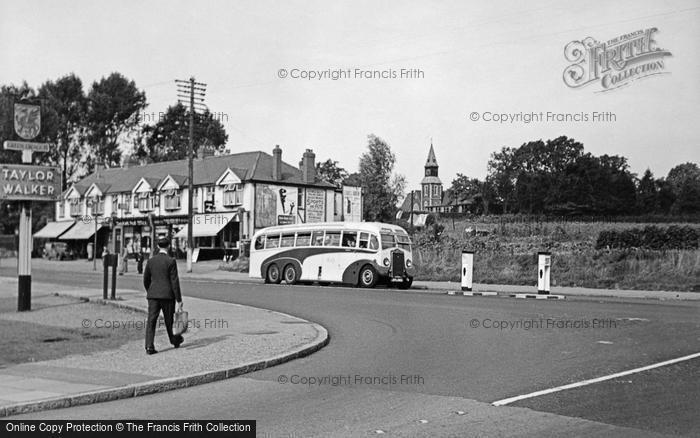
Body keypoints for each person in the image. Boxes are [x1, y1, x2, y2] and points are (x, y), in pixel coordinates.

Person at [143, 237, 184, 355]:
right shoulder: (171, 261)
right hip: (167, 296)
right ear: (169, 246)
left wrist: (150, 291)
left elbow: (146, 279)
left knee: (151, 320)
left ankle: (149, 346)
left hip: (153, 296)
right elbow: (174, 282)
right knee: (169, 320)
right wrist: (179, 300)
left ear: (157, 246)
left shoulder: (151, 261)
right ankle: (174, 340)